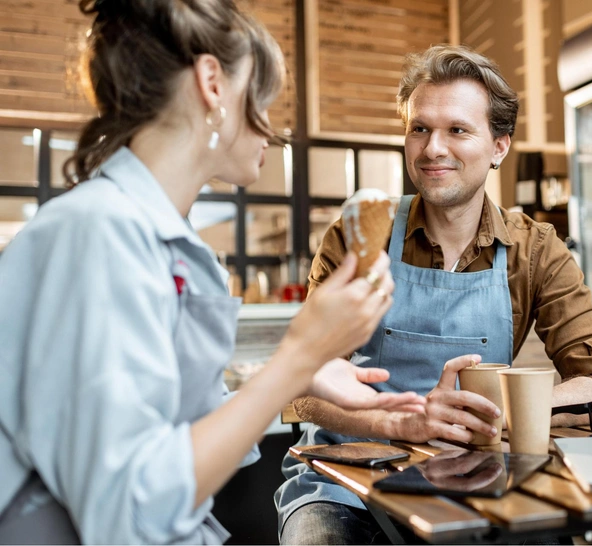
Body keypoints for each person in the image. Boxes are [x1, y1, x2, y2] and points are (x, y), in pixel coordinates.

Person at [0, 1, 427, 544]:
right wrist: (297, 358)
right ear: (212, 83)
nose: (271, 128)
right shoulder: (96, 233)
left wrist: (302, 372)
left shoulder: (166, 244)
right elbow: (130, 512)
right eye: (263, 98)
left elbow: (172, 435)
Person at [275, 44, 592, 545]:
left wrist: (489, 414)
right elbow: (300, 390)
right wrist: (400, 422)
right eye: (419, 128)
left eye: (457, 130)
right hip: (347, 481)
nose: (432, 148)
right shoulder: (360, 235)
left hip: (475, 475)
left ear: (499, 145)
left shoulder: (534, 251)